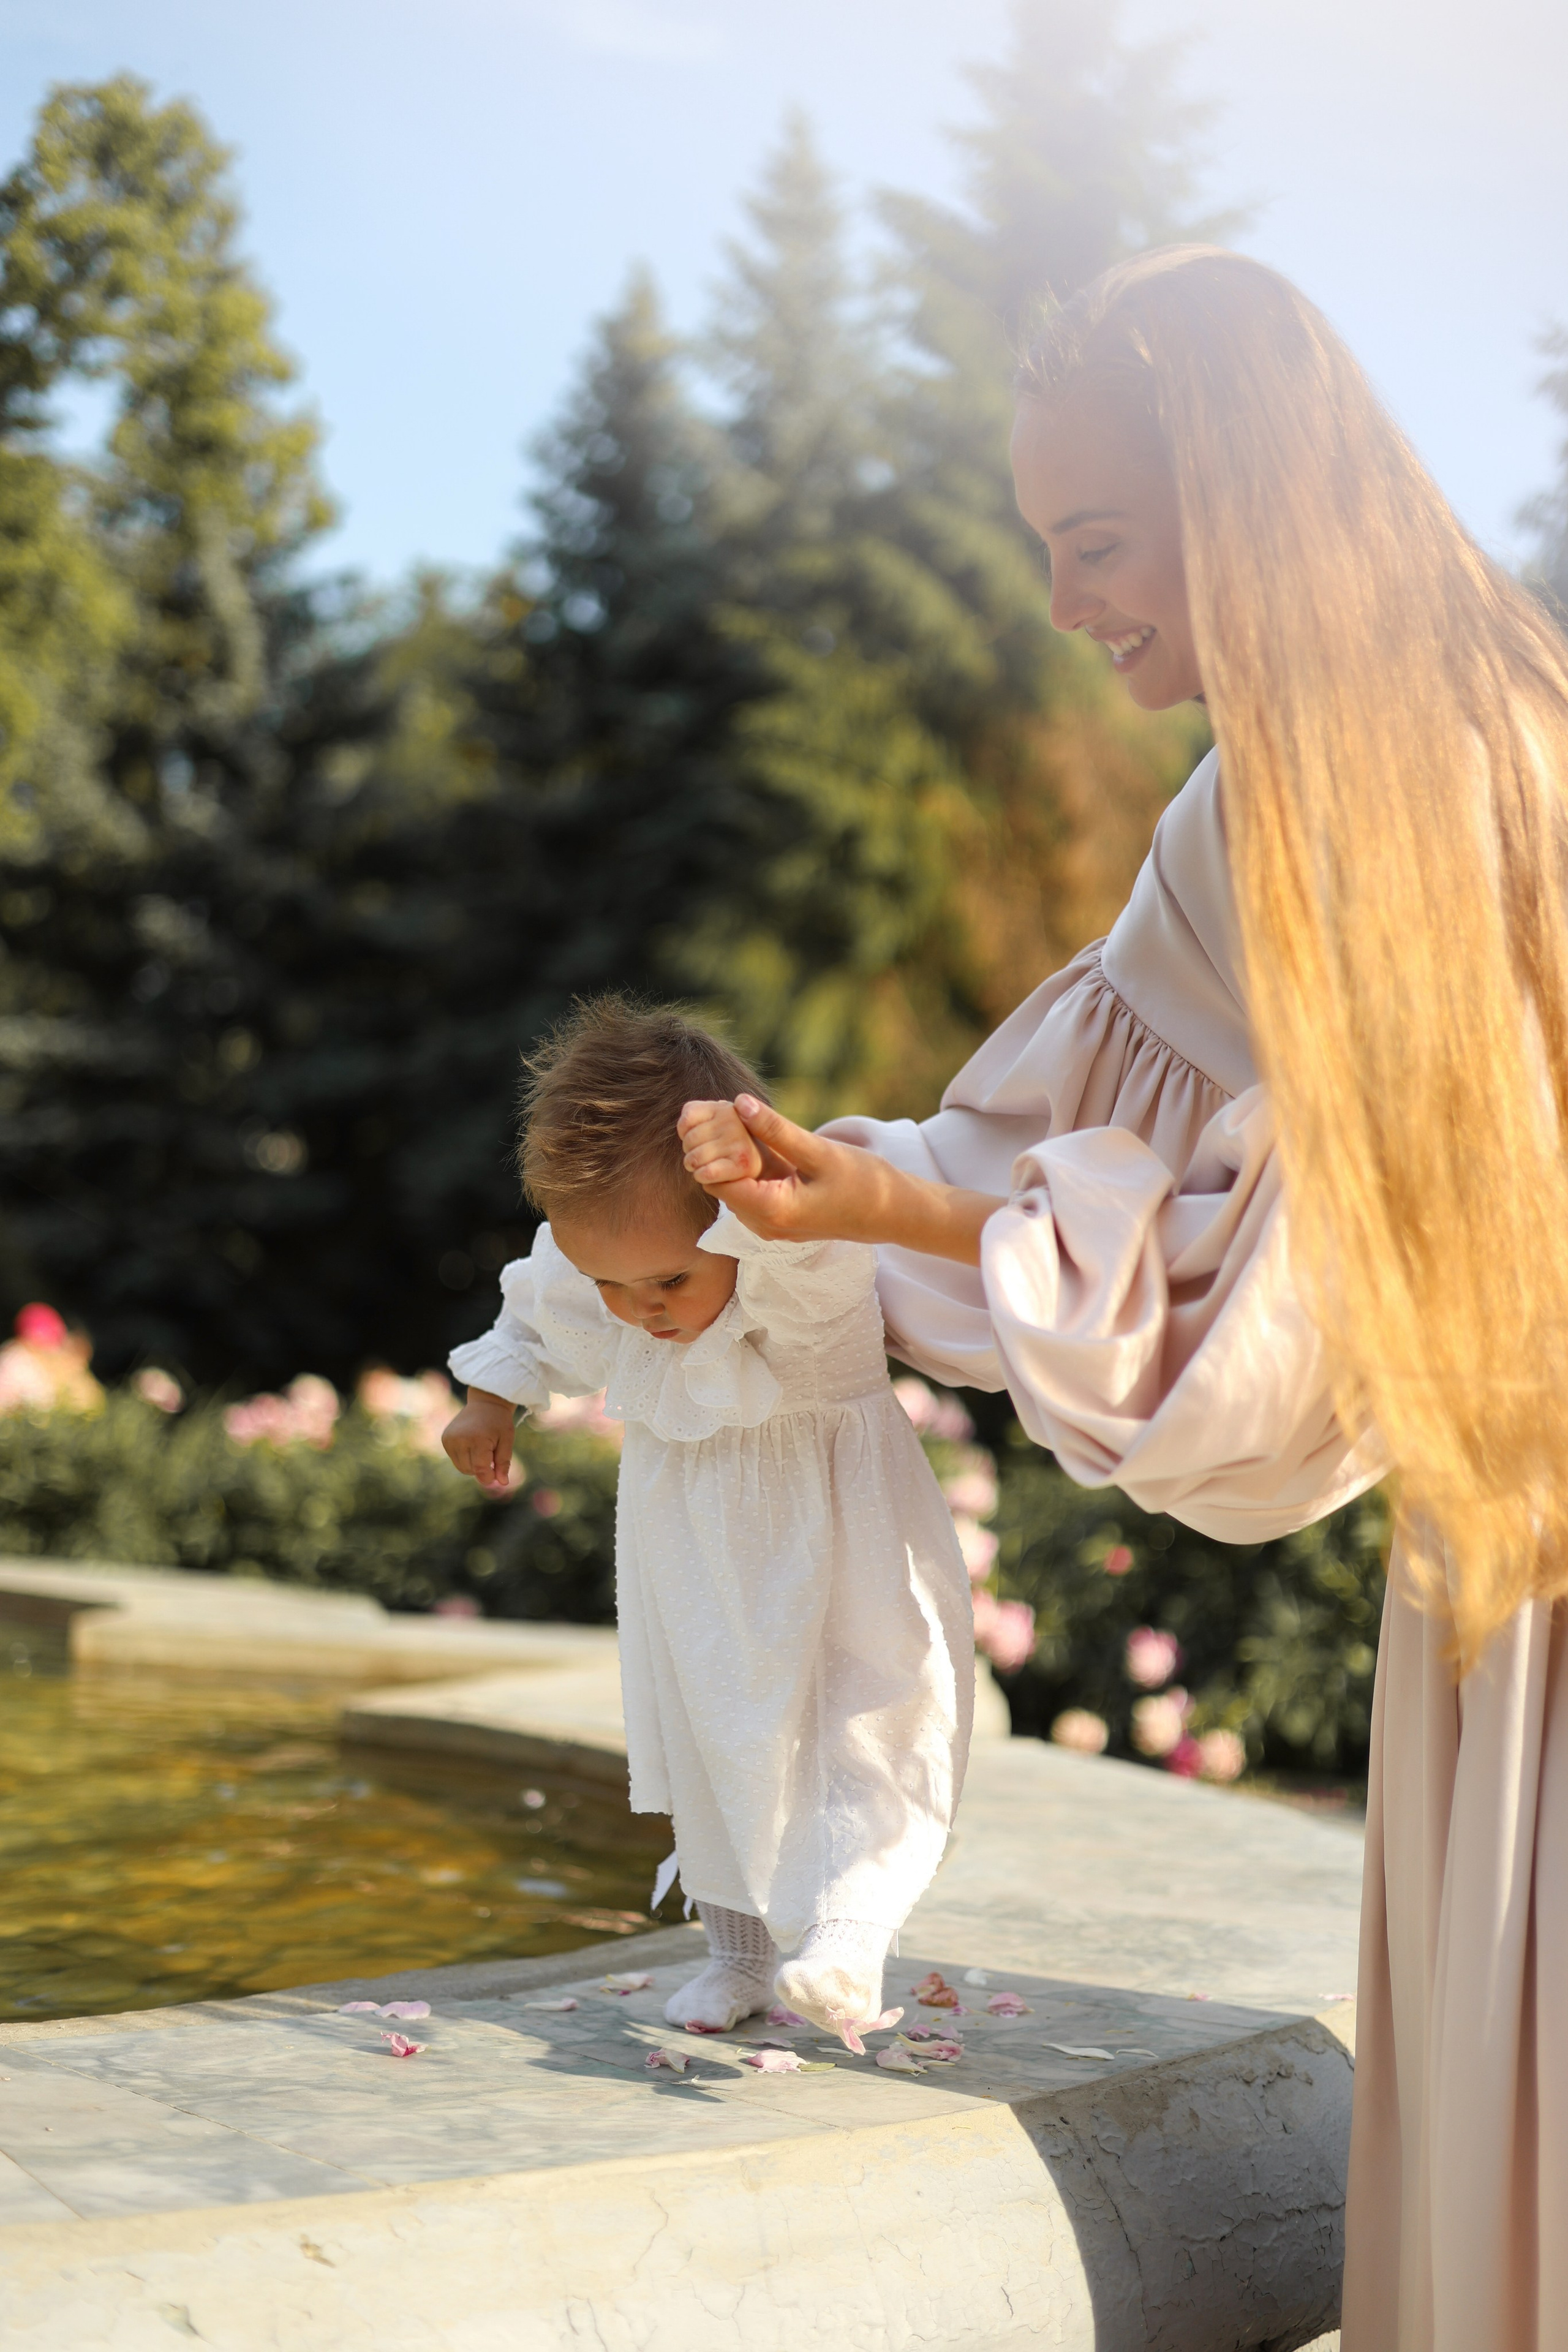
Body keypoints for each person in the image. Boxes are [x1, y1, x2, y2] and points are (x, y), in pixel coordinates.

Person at [677, 247, 1568, 2351]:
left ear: (1240, 494)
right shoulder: (1502, 711)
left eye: (1096, 539)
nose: (1070, 603)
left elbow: (1278, 1296)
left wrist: (907, 1219)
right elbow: (1129, 1139)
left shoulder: (1339, 790)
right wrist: (889, 1197)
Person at [442, 996, 973, 2046]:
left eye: (670, 1279)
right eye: (613, 1283)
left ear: (741, 1217)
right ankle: (737, 1953)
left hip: (837, 1528)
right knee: (712, 1727)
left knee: (863, 1713)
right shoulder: (604, 1271)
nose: (639, 1309)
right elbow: (537, 1307)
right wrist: (490, 1401)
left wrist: (754, 1180)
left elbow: (812, 1251)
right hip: (690, 1536)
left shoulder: (795, 1266)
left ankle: (848, 1936)